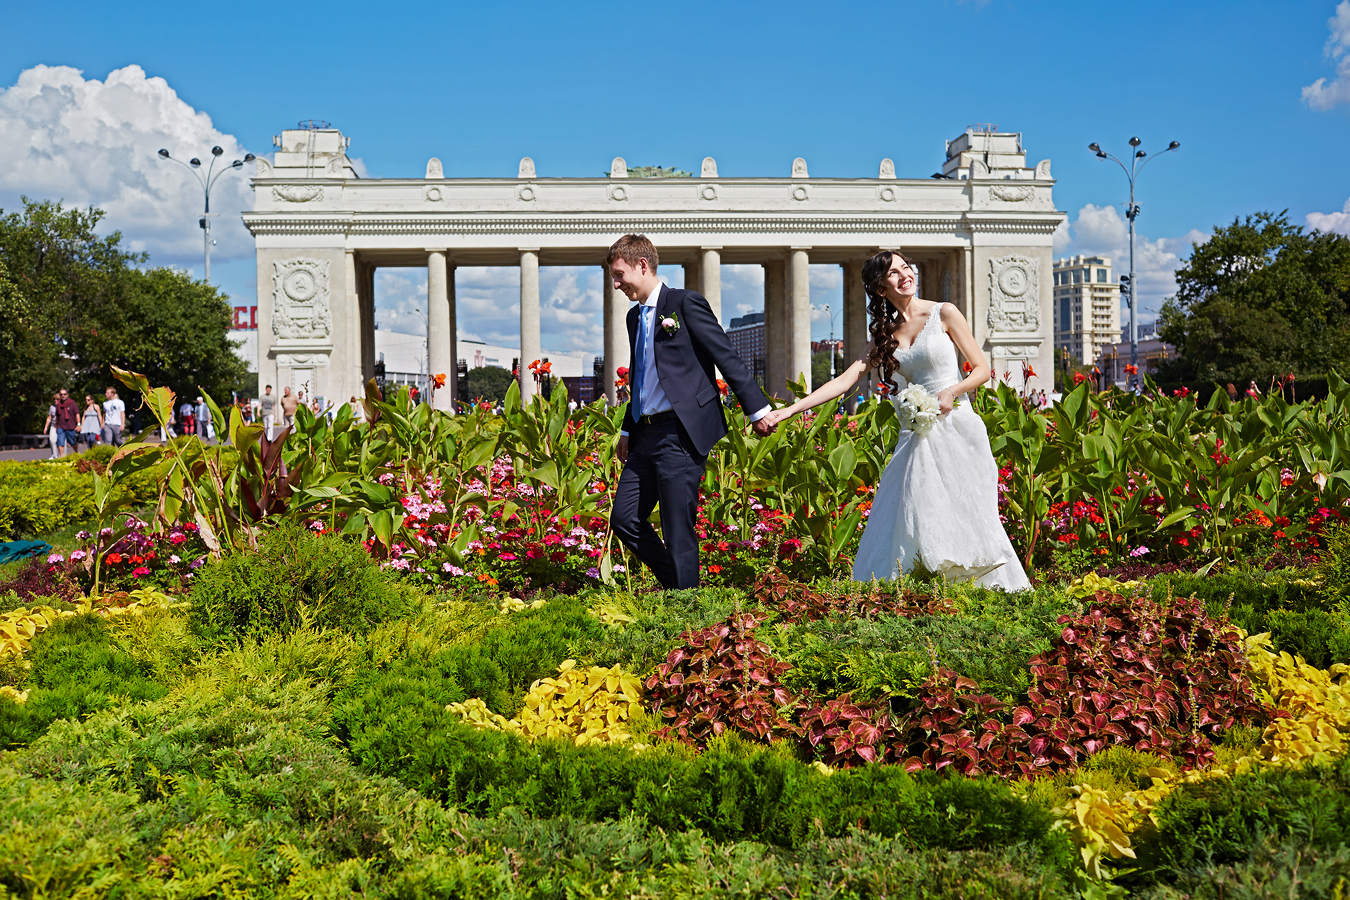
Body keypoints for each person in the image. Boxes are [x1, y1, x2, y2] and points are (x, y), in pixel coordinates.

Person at [762, 249, 1030, 591]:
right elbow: (844, 381)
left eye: (906, 267)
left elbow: (981, 369)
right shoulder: (885, 335)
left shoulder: (944, 313)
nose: (905, 274)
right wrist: (787, 411)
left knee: (968, 512)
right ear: (879, 288)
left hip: (958, 426)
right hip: (916, 437)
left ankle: (990, 590)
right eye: (893, 273)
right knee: (915, 512)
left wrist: (951, 392)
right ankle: (925, 592)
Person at [607, 234, 774, 590]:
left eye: (620, 275)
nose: (617, 284)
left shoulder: (685, 303)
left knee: (677, 526)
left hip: (680, 433)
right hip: (644, 434)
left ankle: (686, 610)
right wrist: (625, 430)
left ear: (642, 265)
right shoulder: (634, 318)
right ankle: (680, 588)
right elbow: (639, 376)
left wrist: (757, 410)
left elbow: (724, 356)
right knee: (624, 518)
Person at [53, 388, 80, 458]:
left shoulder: (72, 403)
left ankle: (77, 453)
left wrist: (78, 424)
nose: (63, 396)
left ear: (67, 395)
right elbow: (57, 416)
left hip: (70, 426)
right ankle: (61, 457)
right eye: (61, 394)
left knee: (72, 442)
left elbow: (77, 414)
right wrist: (56, 426)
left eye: (64, 394)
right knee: (60, 442)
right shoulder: (58, 404)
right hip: (60, 426)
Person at [43, 393, 59, 459]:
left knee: (61, 441)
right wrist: (46, 427)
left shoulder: (64, 407)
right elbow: (49, 418)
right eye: (54, 399)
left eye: (57, 399)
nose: (55, 400)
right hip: (53, 426)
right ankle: (54, 455)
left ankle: (61, 456)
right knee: (52, 440)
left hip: (61, 426)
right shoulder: (52, 407)